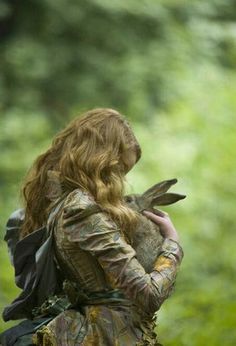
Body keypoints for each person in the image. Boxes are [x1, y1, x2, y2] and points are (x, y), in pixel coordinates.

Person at [1, 108, 184, 346]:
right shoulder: (82, 210)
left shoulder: (61, 203)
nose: (121, 180)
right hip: (105, 335)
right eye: (119, 170)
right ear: (101, 160)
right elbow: (148, 295)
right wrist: (172, 244)